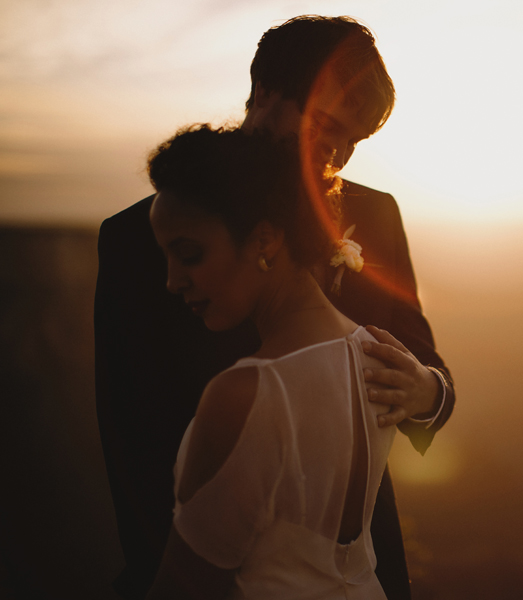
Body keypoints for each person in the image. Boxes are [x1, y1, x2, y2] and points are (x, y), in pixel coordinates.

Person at [94, 16, 454, 600]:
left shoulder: (377, 217)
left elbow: (427, 370)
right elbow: (134, 439)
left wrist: (427, 392)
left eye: (353, 140)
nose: (337, 154)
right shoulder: (136, 239)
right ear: (262, 94)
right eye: (325, 126)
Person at [143, 123, 395, 598]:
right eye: (167, 258)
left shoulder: (246, 394)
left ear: (264, 240)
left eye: (190, 254)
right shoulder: (374, 354)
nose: (173, 281)